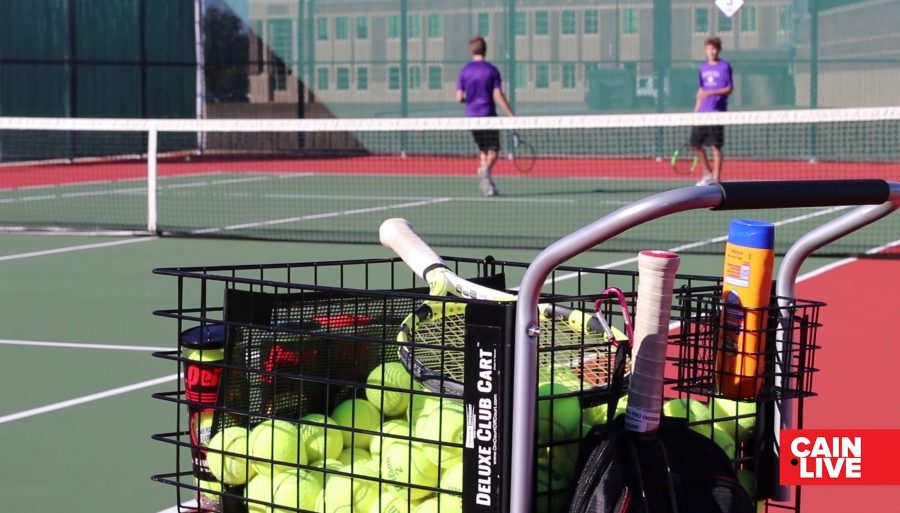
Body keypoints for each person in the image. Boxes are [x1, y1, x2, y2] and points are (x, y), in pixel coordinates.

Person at [456, 36, 515, 196]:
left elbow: (459, 97)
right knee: (494, 151)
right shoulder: (491, 70)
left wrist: (472, 100)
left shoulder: (465, 71)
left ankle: (488, 187)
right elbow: (498, 94)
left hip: (472, 118)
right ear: (485, 49)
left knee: (483, 151)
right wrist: (510, 114)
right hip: (488, 116)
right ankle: (485, 170)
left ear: (471, 50)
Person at [692, 36, 733, 186]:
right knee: (696, 144)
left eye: (714, 48)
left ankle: (716, 178)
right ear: (705, 50)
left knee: (716, 146)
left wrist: (710, 93)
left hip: (717, 113)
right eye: (709, 49)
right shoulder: (702, 68)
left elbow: (729, 89)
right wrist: (696, 109)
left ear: (718, 50)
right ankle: (708, 174)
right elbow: (701, 90)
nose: (712, 52)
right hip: (702, 113)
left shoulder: (725, 66)